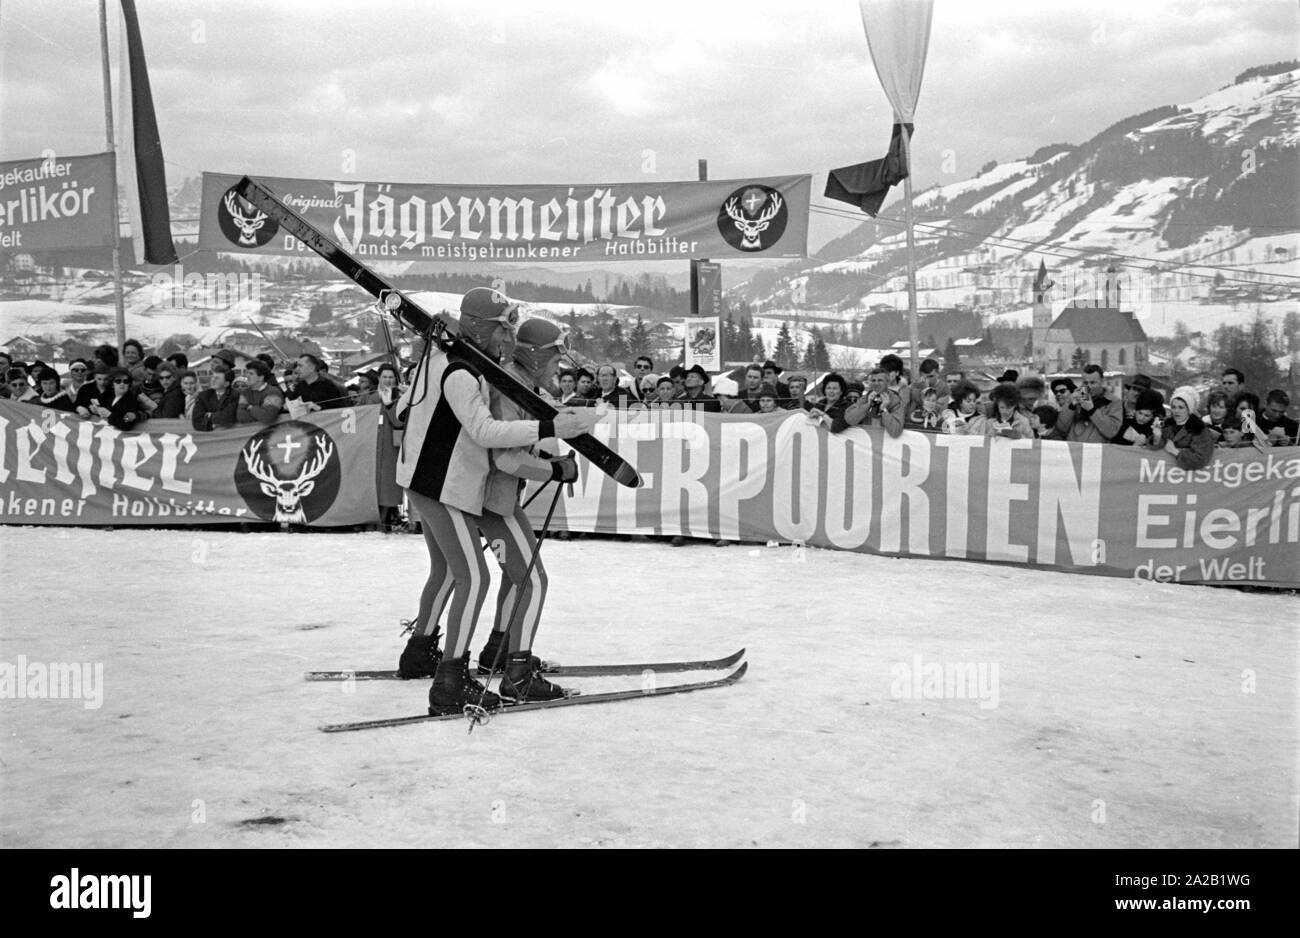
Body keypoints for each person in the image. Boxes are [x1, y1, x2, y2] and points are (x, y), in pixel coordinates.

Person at [394, 287, 593, 716]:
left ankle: (426, 652)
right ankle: (488, 673)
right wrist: (553, 451)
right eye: (504, 330)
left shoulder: (445, 360)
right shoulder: (466, 371)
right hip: (452, 487)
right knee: (504, 579)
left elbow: (400, 410)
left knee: (453, 572)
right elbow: (495, 445)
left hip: (434, 482)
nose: (508, 340)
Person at [473, 317, 581, 701]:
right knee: (533, 580)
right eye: (554, 359)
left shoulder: (519, 384)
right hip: (491, 499)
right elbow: (505, 458)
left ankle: (497, 651)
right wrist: (553, 469)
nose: (558, 368)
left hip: (498, 497)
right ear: (536, 356)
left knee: (514, 575)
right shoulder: (510, 387)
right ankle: (517, 672)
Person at [1149, 386, 1213, 470]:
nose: (1176, 411)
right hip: (1167, 476)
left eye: (1181, 407)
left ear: (1189, 410)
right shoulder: (1167, 425)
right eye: (1173, 407)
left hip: (1190, 478)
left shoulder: (1199, 429)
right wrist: (1156, 437)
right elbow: (1153, 450)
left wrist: (1175, 452)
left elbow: (1201, 459)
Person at [1055, 364, 1123, 443]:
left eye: (1093, 383)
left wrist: (1092, 410)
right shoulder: (1076, 396)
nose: (1089, 386)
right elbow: (1061, 428)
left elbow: (1111, 431)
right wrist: (1071, 406)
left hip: (1097, 451)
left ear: (1102, 381)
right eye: (1085, 383)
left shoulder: (1114, 401)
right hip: (1074, 449)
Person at [835, 368, 905, 436]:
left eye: (880, 380)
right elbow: (849, 419)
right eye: (873, 380)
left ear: (887, 382)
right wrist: (867, 405)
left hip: (887, 444)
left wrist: (883, 410)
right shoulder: (865, 398)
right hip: (867, 443)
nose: (876, 383)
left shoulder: (895, 401)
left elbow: (896, 431)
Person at [964, 382, 1033, 439]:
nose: (1005, 411)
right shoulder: (990, 422)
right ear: (997, 405)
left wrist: (1019, 436)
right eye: (1002, 408)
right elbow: (981, 442)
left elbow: (1032, 443)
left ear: (1014, 405)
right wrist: (989, 436)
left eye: (1008, 408)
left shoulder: (1023, 422)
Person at [237, 359, 286, 425]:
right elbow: (241, 416)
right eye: (246, 373)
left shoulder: (273, 392)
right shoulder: (245, 392)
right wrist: (260, 412)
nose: (246, 376)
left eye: (251, 373)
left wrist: (250, 407)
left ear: (261, 378)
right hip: (249, 432)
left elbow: (267, 418)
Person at [192, 362, 239, 431]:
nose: (213, 380)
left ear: (226, 383)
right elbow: (197, 420)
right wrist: (213, 426)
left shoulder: (235, 395)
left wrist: (210, 416)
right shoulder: (203, 395)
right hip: (208, 437)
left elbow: (228, 417)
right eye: (213, 377)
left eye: (217, 378)